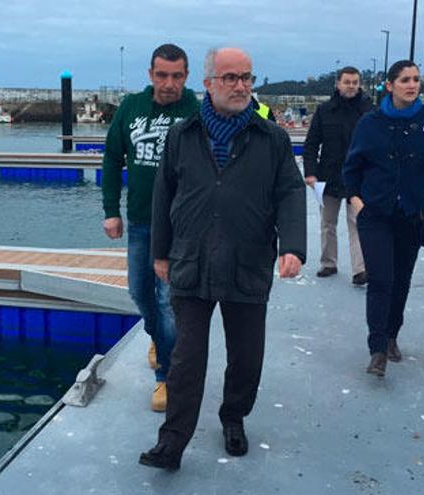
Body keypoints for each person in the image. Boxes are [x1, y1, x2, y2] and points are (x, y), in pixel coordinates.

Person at [138, 47, 306, 471]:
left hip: (248, 262)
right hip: (191, 261)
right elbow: (164, 195)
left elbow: (290, 191)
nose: (240, 86)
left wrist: (292, 246)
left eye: (247, 77)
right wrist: (160, 252)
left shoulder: (272, 138)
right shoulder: (183, 135)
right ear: (209, 84)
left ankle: (234, 417)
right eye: (230, 78)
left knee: (247, 356)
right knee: (186, 358)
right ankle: (172, 443)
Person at [101, 43, 200, 412]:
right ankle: (157, 337)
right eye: (162, 75)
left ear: (186, 77)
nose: (169, 83)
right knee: (140, 294)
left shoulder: (197, 111)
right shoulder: (130, 107)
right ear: (150, 74)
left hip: (182, 228)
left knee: (167, 303)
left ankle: (166, 378)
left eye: (177, 76)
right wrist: (111, 210)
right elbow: (112, 159)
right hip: (142, 221)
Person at [343, 60, 424, 377]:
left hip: (412, 215)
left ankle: (391, 336)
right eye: (405, 79)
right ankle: (376, 349)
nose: (412, 85)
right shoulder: (370, 123)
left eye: (416, 79)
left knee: (401, 280)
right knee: (381, 279)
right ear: (389, 85)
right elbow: (353, 166)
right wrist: (356, 199)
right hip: (375, 213)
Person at [303, 66, 373, 285]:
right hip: (329, 174)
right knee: (328, 223)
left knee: (358, 222)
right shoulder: (325, 110)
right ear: (338, 84)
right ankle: (328, 263)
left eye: (354, 82)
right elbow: (312, 143)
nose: (351, 86)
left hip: (360, 178)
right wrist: (310, 173)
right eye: (347, 82)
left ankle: (360, 269)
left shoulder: (369, 110)